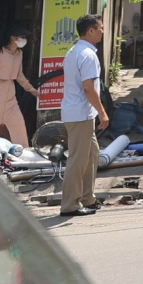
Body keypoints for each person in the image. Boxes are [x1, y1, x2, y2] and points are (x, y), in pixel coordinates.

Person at [58, 14, 108, 218]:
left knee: (92, 154)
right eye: (100, 28)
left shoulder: (75, 51)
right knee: (78, 160)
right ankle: (70, 204)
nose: (102, 32)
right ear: (91, 31)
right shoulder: (88, 54)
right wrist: (103, 112)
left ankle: (88, 198)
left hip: (80, 113)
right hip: (80, 113)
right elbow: (89, 88)